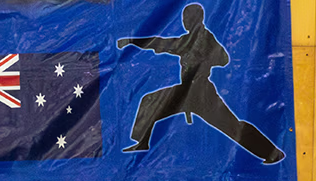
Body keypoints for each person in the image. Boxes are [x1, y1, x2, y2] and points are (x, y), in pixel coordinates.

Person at [118, 4, 284, 163]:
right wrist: (132, 40)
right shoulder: (186, 40)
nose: (185, 21)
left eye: (189, 17)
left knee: (232, 127)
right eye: (184, 17)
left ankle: (271, 152)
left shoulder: (206, 38)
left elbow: (223, 59)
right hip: (184, 92)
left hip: (202, 92)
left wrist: (207, 58)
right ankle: (142, 142)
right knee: (150, 101)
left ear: (198, 19)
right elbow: (161, 43)